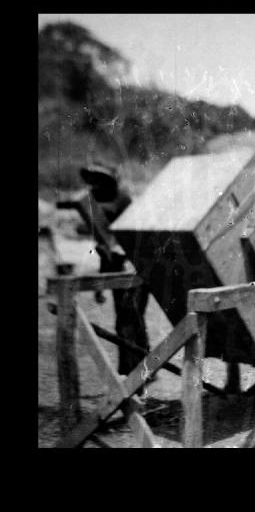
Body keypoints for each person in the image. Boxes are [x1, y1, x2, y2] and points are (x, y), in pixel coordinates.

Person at [80, 162, 151, 378]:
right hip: (115, 266)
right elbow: (104, 247)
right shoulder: (94, 205)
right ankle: (140, 367)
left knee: (129, 319)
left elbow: (135, 236)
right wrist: (100, 286)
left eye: (99, 180)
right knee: (126, 319)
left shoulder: (124, 199)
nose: (94, 185)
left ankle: (134, 372)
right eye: (92, 180)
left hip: (135, 263)